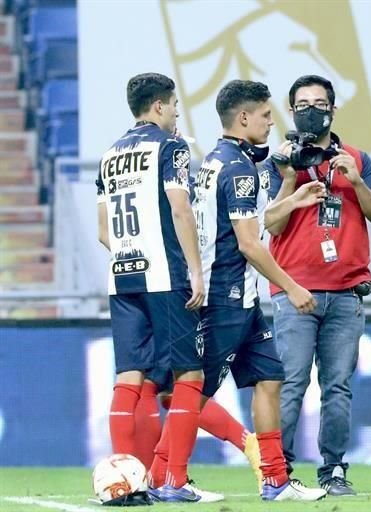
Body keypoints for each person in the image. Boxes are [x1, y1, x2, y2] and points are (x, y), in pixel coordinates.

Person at [157, 79, 327, 501]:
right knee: (192, 395)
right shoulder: (238, 169)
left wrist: (291, 201)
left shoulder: (218, 161)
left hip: (242, 299)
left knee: (270, 378)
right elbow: (250, 244)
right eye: (267, 115)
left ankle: (275, 479)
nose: (273, 123)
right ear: (244, 117)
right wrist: (291, 287)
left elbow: (243, 225)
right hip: (224, 298)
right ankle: (164, 476)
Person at [263, 74, 371, 496]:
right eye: (302, 104)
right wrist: (287, 180)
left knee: (337, 388)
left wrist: (355, 180)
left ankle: (333, 469)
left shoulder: (358, 158)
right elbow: (269, 224)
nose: (311, 110)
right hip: (294, 292)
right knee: (292, 384)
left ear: (333, 110)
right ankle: (277, 474)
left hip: (346, 293)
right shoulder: (278, 160)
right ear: (291, 109)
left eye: (319, 103)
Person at [96, 73, 220, 502]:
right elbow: (180, 207)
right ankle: (175, 480)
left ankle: (122, 479)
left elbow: (102, 230)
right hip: (165, 276)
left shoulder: (109, 156)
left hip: (122, 275)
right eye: (174, 106)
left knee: (129, 377)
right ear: (160, 106)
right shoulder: (170, 146)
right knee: (190, 373)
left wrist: (133, 251)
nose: (177, 114)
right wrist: (196, 270)